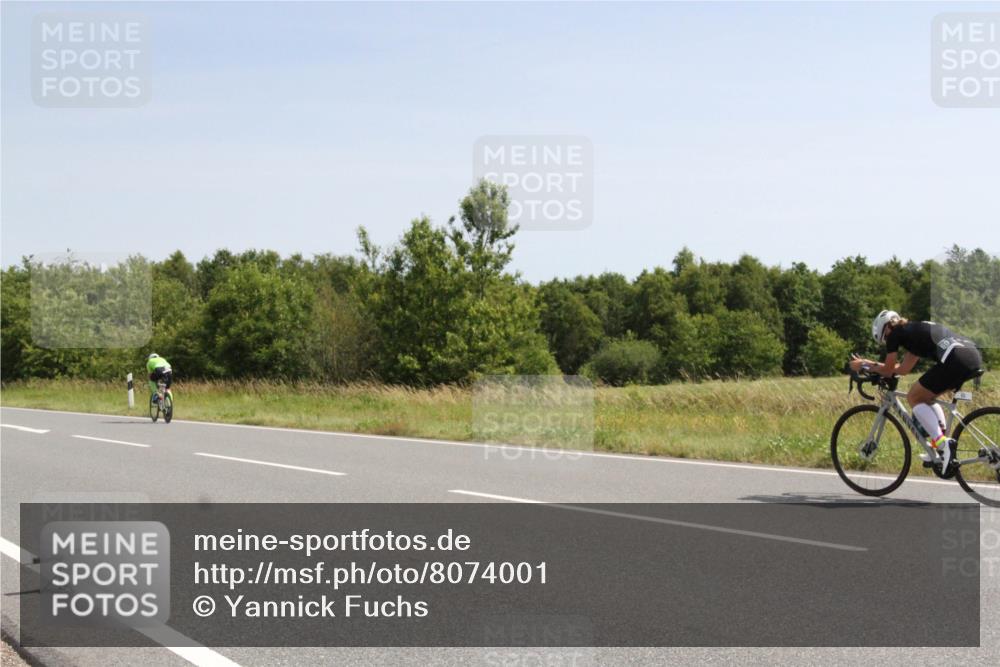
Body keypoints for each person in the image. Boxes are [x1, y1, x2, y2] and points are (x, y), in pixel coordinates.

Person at [850, 311, 983, 476]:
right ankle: (940, 450)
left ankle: (943, 444)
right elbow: (902, 369)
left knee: (914, 397)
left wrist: (864, 365)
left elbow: (888, 369)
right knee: (926, 397)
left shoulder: (895, 333)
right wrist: (873, 365)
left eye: (884, 338)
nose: (888, 341)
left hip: (955, 359)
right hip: (970, 355)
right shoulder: (913, 333)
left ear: (886, 327)